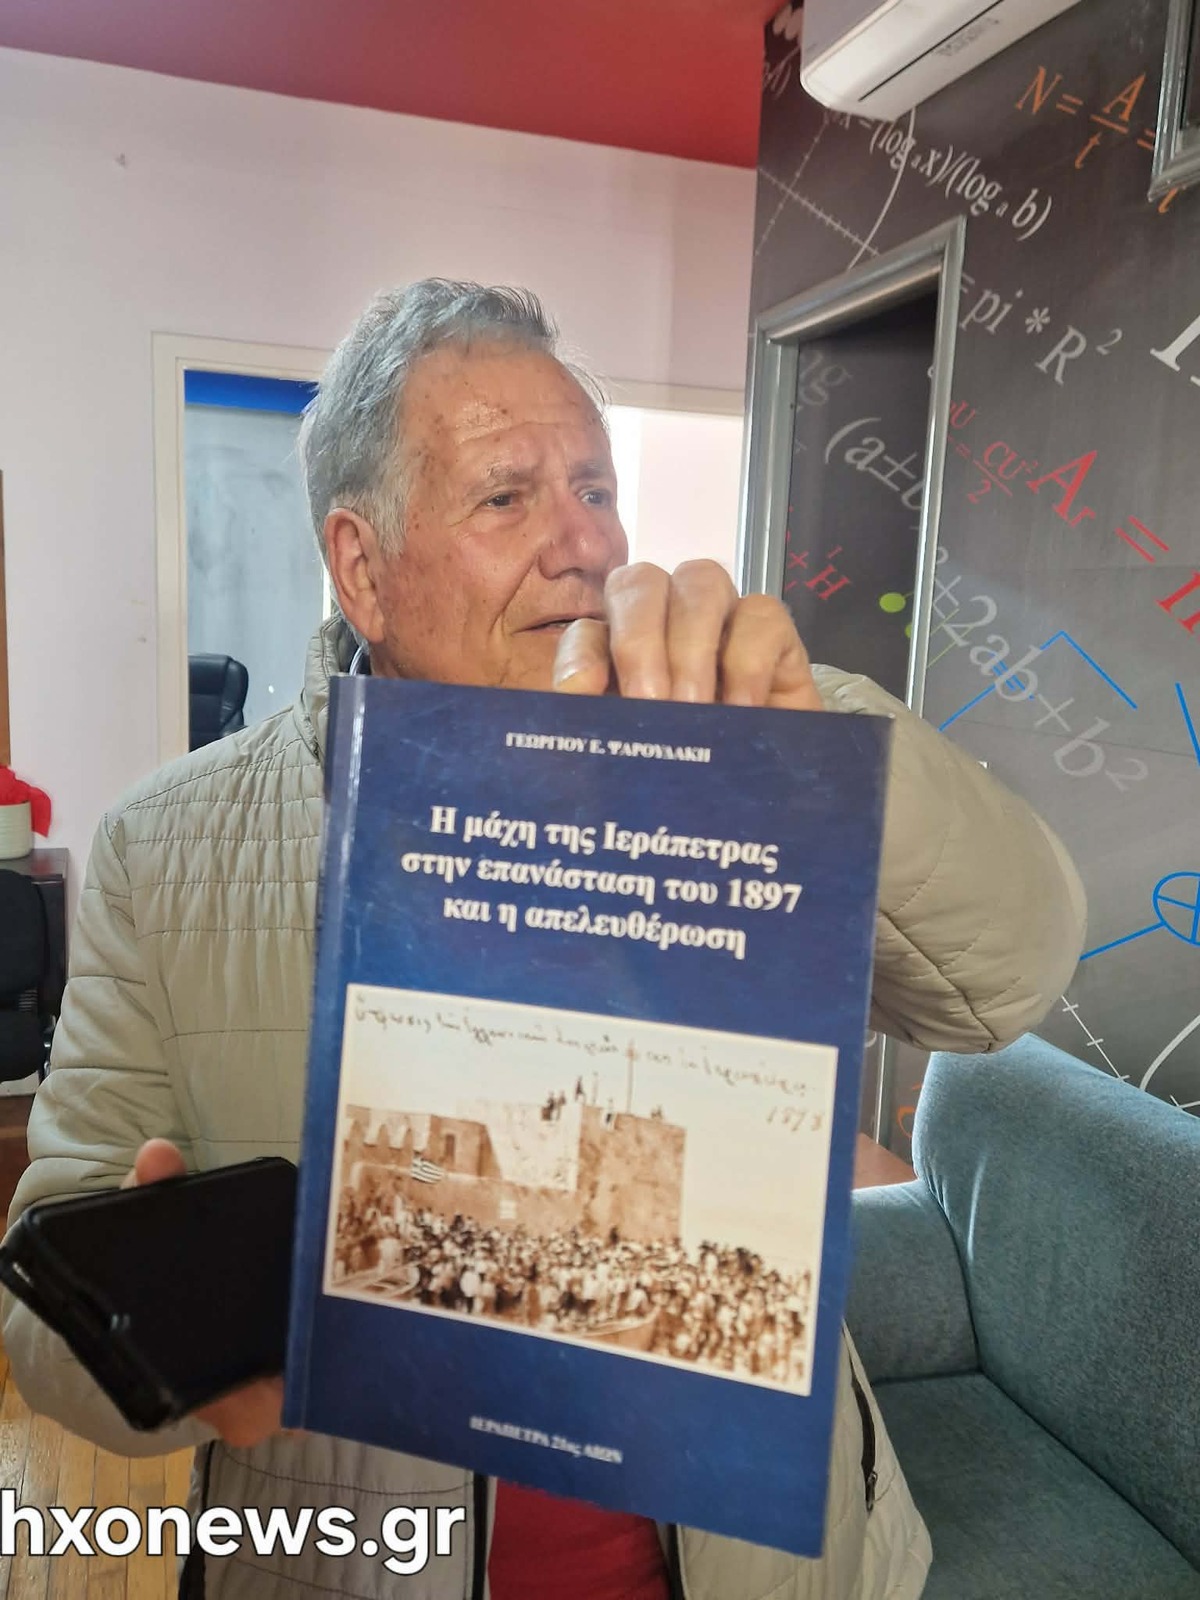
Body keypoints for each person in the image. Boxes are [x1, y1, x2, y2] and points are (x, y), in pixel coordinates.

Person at [3, 280, 1086, 1600]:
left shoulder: (740, 753)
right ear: (362, 568)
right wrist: (171, 1350)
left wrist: (825, 755)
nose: (584, 545)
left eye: (596, 488)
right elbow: (46, 1318)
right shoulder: (166, 846)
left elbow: (1008, 978)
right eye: (507, 498)